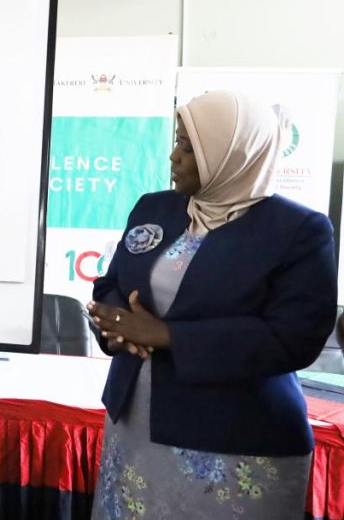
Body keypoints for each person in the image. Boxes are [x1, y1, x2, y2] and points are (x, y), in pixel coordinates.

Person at [87, 91, 337, 519]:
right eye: (176, 141)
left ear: (231, 153)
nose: (172, 156)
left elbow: (294, 338)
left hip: (235, 437)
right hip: (135, 426)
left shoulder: (299, 231)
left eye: (188, 146)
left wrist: (167, 336)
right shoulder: (155, 207)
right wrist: (114, 325)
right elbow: (112, 282)